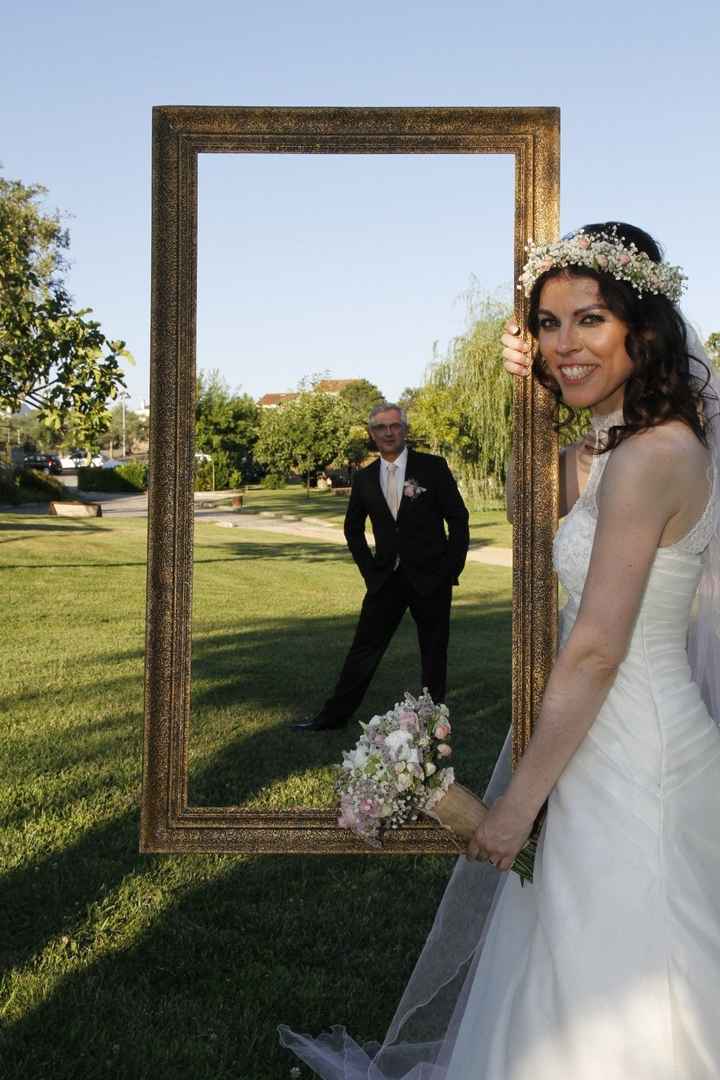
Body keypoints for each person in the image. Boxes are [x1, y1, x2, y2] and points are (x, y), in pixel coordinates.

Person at [279, 222, 720, 1078]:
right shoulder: (606, 444)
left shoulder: (655, 455)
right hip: (586, 741)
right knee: (557, 962)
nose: (566, 345)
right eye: (548, 325)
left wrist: (517, 803)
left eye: (589, 320)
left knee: (635, 971)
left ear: (644, 327)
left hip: (636, 750)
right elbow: (531, 510)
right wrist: (528, 404)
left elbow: (594, 649)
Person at [292, 402, 470, 732]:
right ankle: (332, 718)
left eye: (394, 426)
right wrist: (369, 570)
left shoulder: (432, 467)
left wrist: (450, 569)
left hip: (431, 579)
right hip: (386, 579)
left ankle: (431, 722)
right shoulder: (364, 478)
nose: (388, 433)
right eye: (380, 428)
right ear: (372, 434)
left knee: (433, 652)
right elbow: (352, 528)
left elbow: (458, 519)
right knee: (363, 650)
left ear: (405, 429)